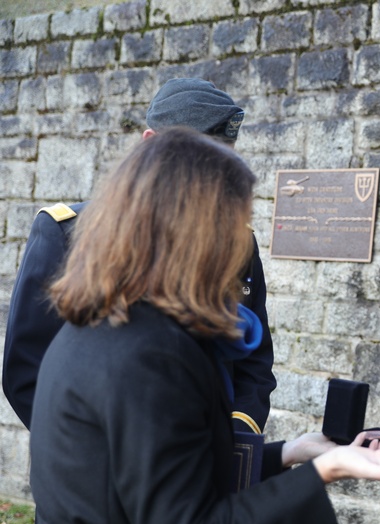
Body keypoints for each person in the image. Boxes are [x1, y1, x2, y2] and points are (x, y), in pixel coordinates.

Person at [2, 128, 380, 524]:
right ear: (194, 228)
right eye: (233, 219)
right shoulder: (148, 355)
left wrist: (291, 453)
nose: (240, 237)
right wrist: (327, 469)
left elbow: (157, 476)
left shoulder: (106, 322)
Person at [3, 77, 275, 436]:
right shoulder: (67, 233)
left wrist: (234, 440)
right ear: (151, 144)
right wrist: (88, 459)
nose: (215, 175)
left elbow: (253, 365)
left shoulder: (237, 241)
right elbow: (27, 369)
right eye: (203, 155)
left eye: (225, 156)